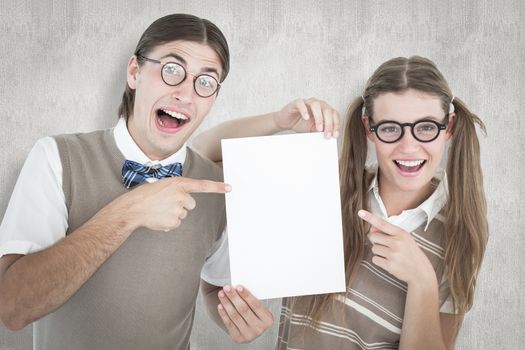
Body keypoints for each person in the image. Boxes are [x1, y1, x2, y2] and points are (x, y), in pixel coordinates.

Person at [196, 56, 489, 349]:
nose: (409, 146)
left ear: (448, 127)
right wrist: (276, 121)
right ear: (369, 128)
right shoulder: (321, 186)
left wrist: (422, 281)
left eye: (425, 127)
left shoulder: (460, 234)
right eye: (390, 128)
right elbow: (200, 156)